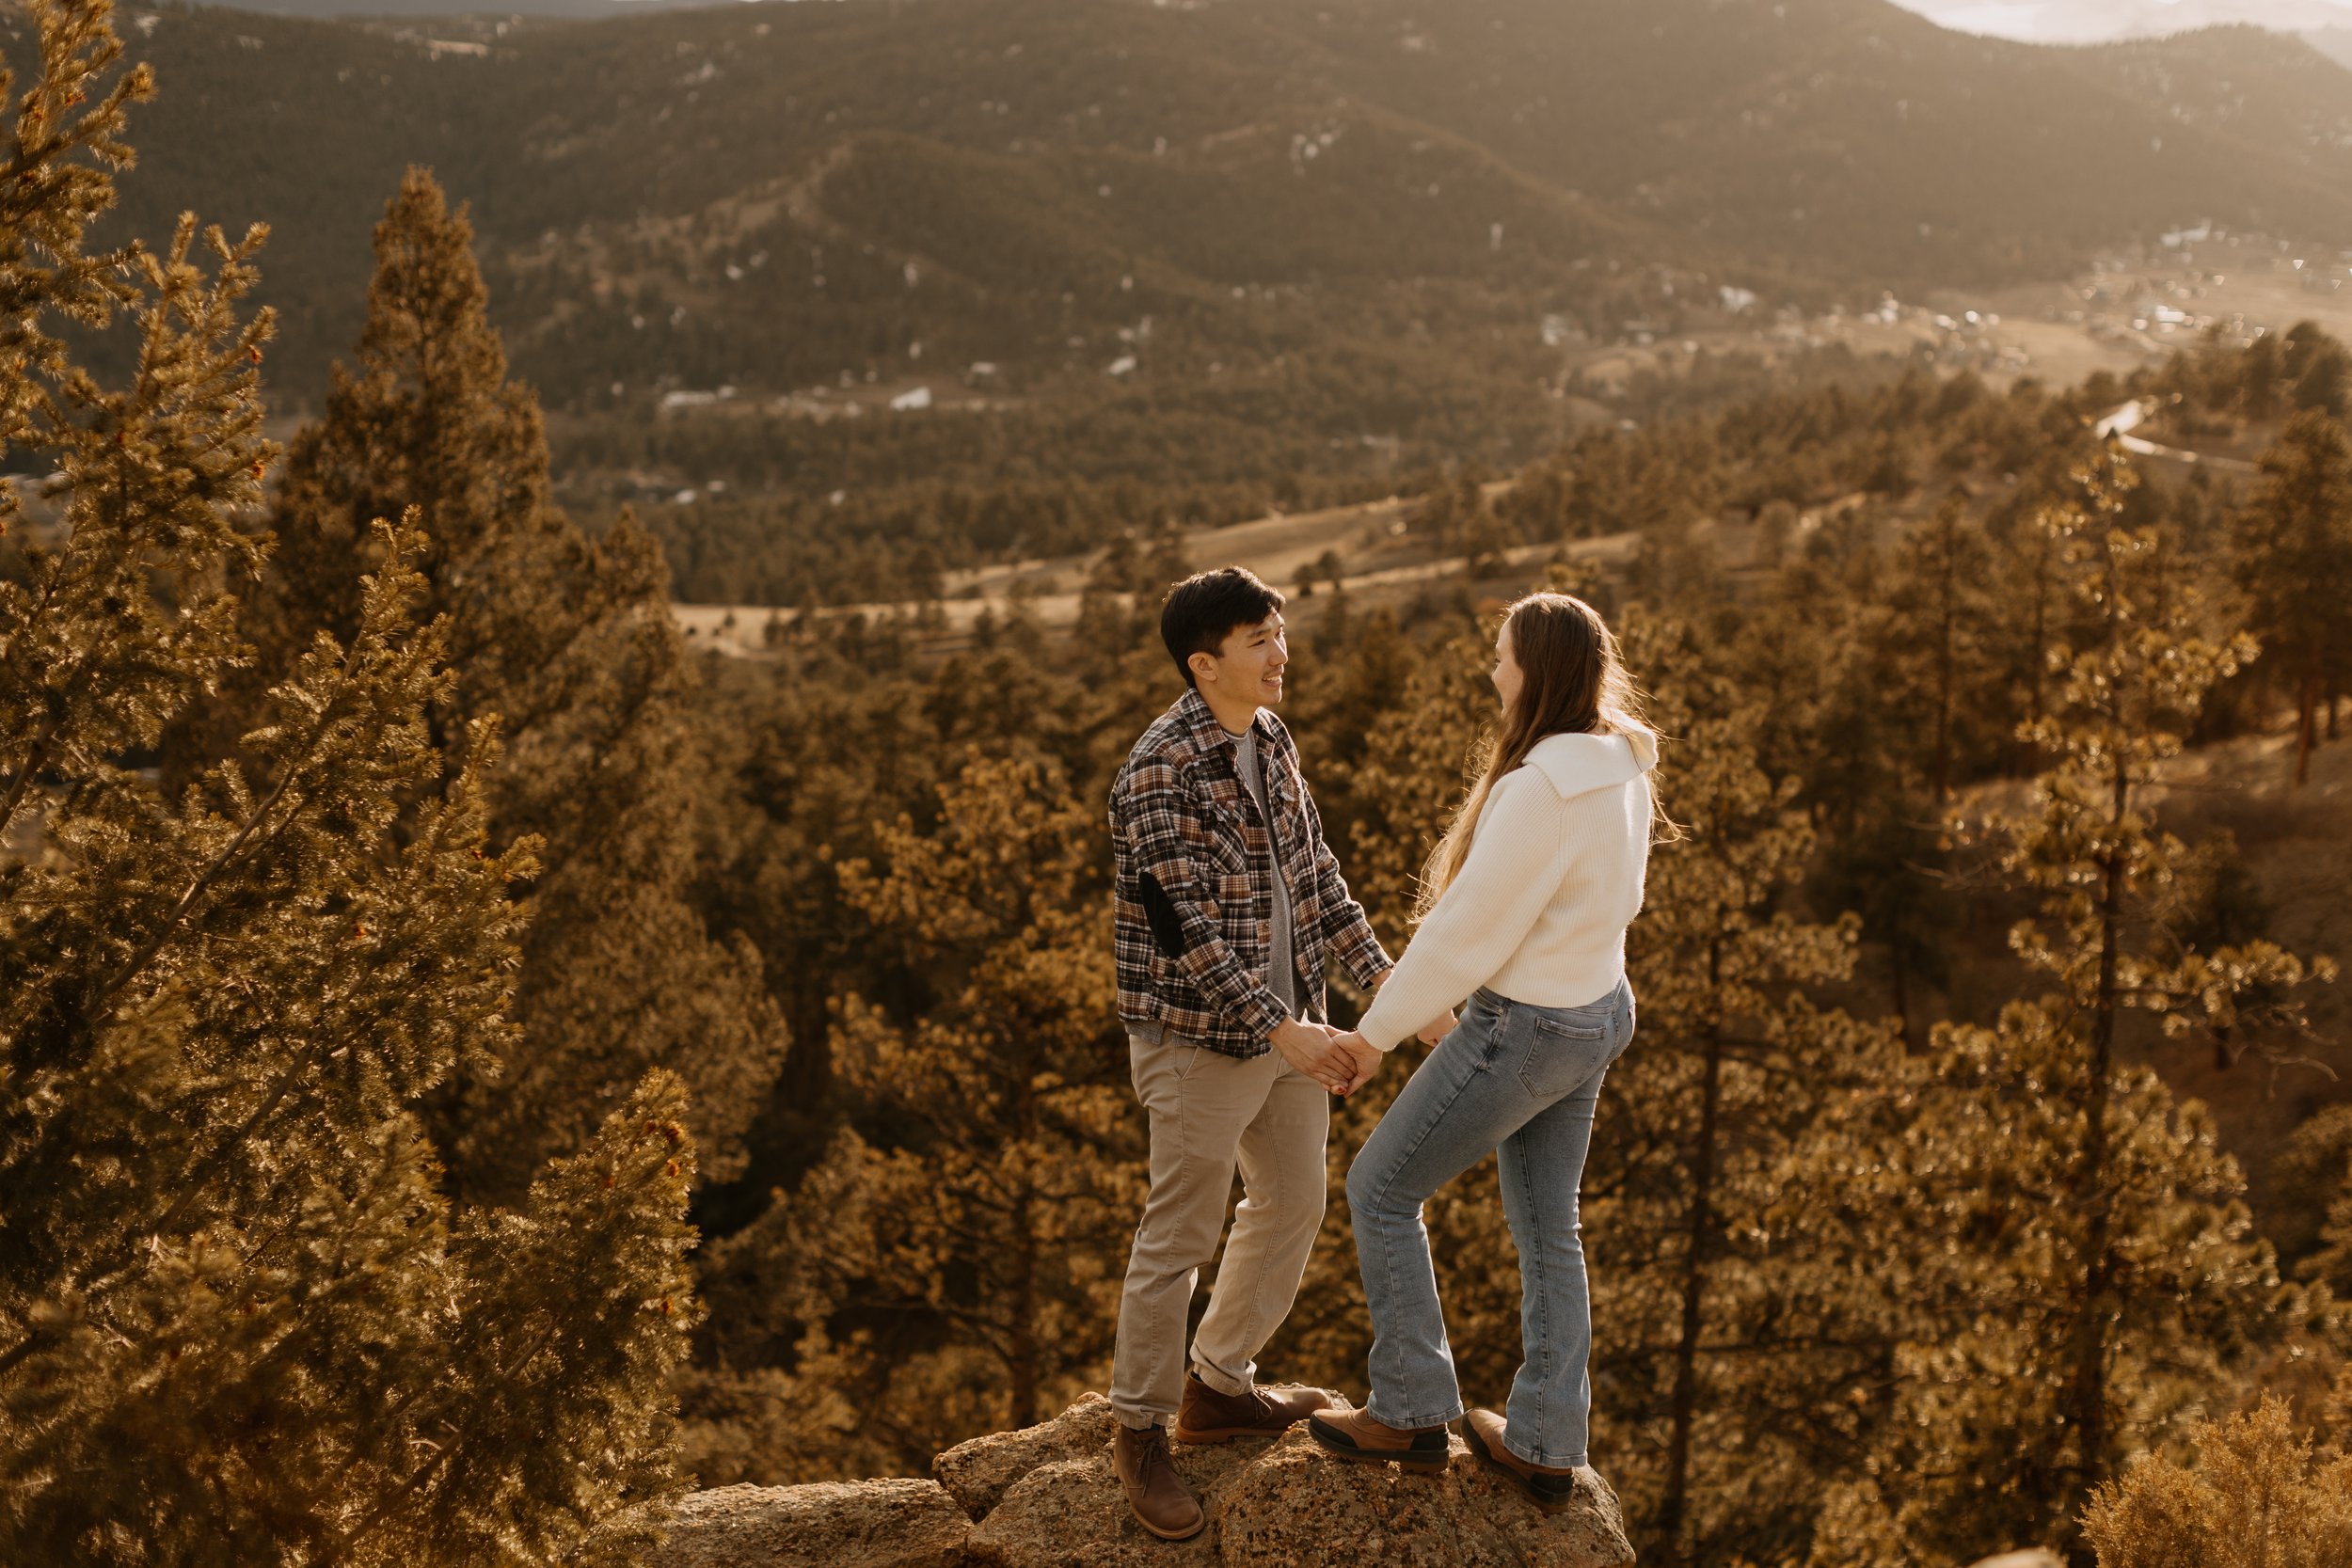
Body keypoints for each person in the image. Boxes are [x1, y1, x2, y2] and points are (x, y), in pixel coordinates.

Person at [1305, 591, 1660, 1515]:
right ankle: (1546, 1440)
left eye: (1501, 656)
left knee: (1380, 1190)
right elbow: (1617, 896)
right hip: (1597, 1008)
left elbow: (1467, 930)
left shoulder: (1541, 785)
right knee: (1550, 1226)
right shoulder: (1623, 759)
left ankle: (1414, 1406)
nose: (1490, 669)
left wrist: (1371, 1038)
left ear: (1534, 671)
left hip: (1526, 1024)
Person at [1104, 566, 1430, 1541]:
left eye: (1279, 632)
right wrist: (1283, 1028)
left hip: (1292, 1020)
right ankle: (1139, 1426)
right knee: (1180, 1230)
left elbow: (1320, 879)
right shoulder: (1157, 772)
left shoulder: (1271, 739)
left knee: (1293, 1198)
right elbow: (1188, 933)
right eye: (1257, 639)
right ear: (1204, 664)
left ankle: (1217, 1383)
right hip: (1200, 1037)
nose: (1280, 652)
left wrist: (1396, 992)